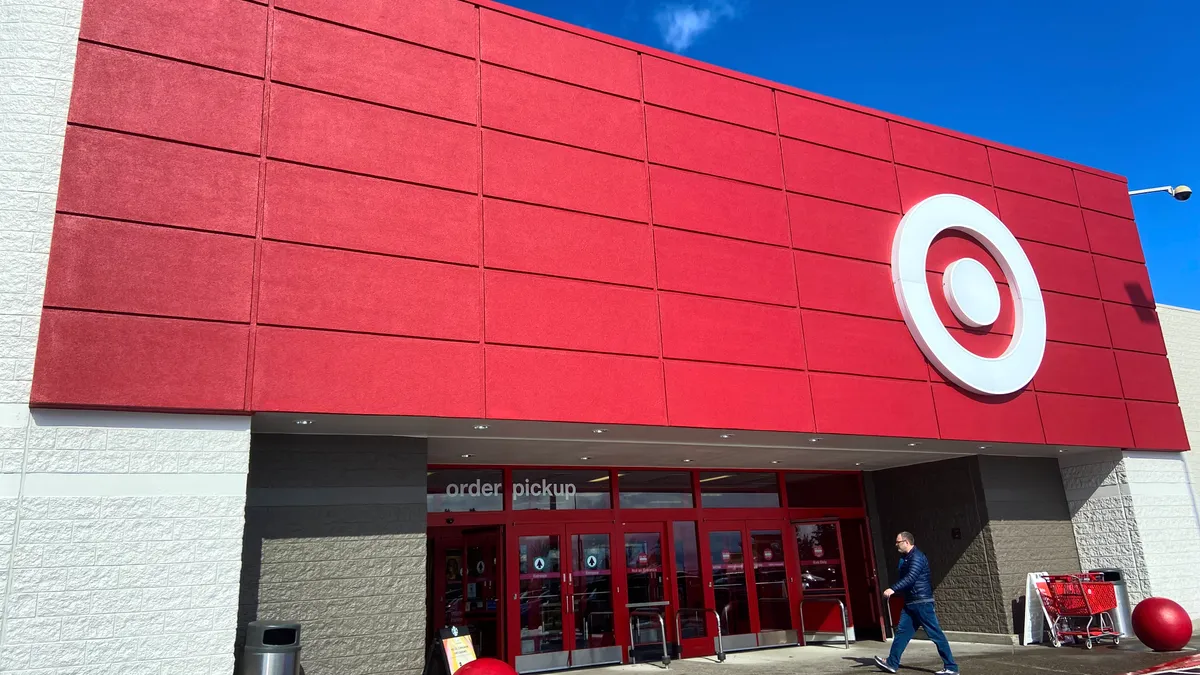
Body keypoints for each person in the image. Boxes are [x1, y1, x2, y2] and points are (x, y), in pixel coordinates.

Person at [874, 532, 959, 675]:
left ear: (906, 542)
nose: (896, 545)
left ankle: (951, 667)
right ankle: (892, 663)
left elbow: (911, 577)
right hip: (910, 603)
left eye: (898, 542)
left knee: (935, 634)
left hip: (922, 602)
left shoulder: (917, 557)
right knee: (902, 633)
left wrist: (892, 589)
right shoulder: (905, 558)